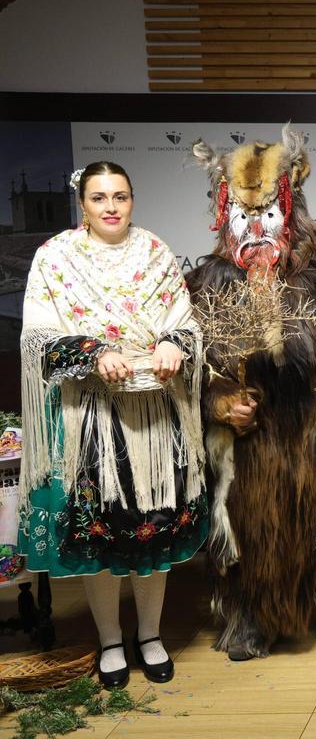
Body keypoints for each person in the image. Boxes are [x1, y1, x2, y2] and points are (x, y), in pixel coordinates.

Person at [188, 127, 316, 660]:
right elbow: (194, 364)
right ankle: (250, 615)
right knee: (245, 522)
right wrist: (221, 402)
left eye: (266, 214)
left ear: (290, 209)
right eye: (243, 216)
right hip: (249, 437)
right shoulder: (208, 283)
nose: (255, 227)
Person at [19, 162, 206, 688]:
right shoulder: (55, 258)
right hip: (90, 417)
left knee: (155, 526)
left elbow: (183, 320)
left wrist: (173, 343)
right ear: (82, 202)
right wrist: (93, 351)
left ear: (132, 200)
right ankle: (109, 641)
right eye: (99, 197)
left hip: (153, 414)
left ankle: (150, 634)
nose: (111, 206)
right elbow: (36, 335)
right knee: (101, 532)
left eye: (120, 196)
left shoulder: (155, 252)